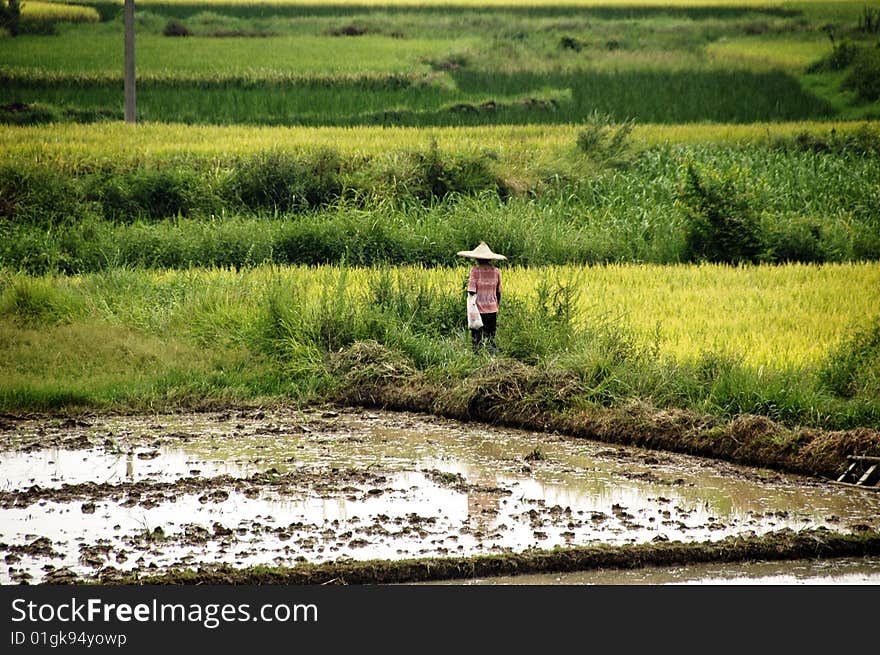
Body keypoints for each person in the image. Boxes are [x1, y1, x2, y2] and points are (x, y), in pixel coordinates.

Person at [456, 241, 506, 354]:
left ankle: (477, 357)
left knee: (476, 337)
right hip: (492, 308)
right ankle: (491, 357)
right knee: (490, 336)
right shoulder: (497, 272)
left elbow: (471, 291)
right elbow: (499, 292)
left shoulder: (475, 271)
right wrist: (496, 306)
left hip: (478, 310)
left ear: (477, 258)